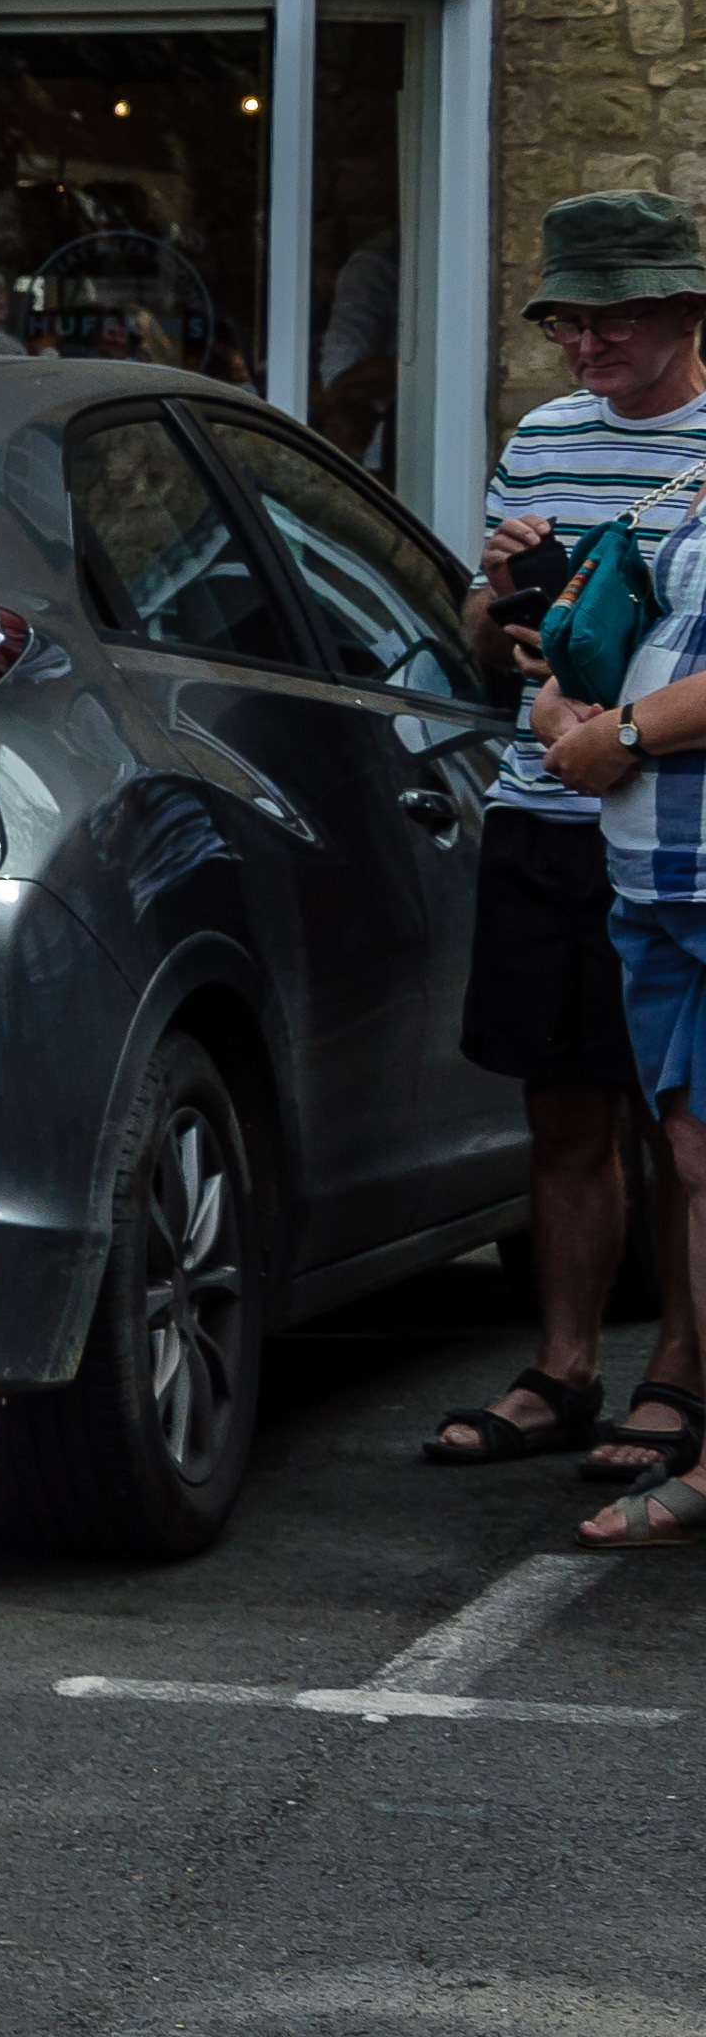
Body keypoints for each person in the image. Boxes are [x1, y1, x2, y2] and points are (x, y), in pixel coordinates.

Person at [437, 195, 706, 1496]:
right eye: (570, 318)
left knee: (685, 1127)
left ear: (685, 313)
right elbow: (490, 650)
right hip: (546, 810)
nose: (587, 340)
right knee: (563, 1109)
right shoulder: (544, 438)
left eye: (618, 316)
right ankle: (566, 1365)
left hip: (681, 831)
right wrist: (502, 585)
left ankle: (678, 1378)